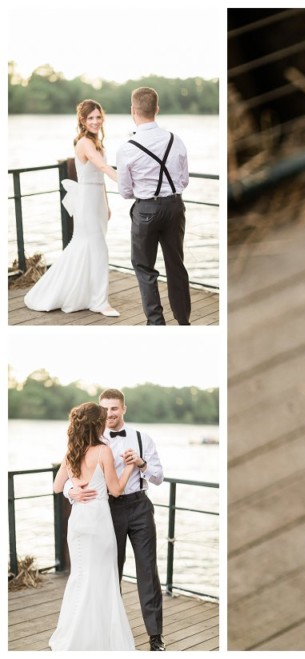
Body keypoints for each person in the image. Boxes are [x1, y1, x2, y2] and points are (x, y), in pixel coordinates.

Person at [65, 389, 167, 651]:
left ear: (123, 409)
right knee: (110, 572)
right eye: (105, 409)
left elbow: (158, 477)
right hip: (108, 510)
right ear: (99, 411)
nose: (109, 414)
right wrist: (70, 492)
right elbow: (69, 476)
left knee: (148, 572)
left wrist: (142, 463)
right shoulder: (88, 437)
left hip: (140, 506)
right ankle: (110, 634)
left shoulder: (143, 438)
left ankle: (156, 638)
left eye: (114, 408)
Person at [49, 402, 137, 651]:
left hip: (78, 521)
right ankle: (98, 639)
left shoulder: (71, 451)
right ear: (97, 424)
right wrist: (131, 465)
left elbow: (57, 487)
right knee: (102, 579)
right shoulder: (103, 451)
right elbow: (116, 490)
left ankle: (74, 635)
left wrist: (71, 490)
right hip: (98, 520)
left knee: (80, 576)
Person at [23, 99, 121, 317]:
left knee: (85, 247)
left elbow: (100, 178)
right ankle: (100, 302)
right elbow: (103, 167)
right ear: (83, 121)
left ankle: (82, 294)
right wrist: (124, 183)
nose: (95, 121)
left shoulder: (98, 142)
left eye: (98, 117)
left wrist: (107, 204)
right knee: (98, 249)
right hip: (86, 201)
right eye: (90, 118)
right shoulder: (85, 143)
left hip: (98, 200)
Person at [116, 86, 191, 326]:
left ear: (133, 111)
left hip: (146, 209)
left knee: (144, 267)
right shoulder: (174, 139)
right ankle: (183, 320)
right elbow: (184, 180)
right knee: (176, 265)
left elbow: (125, 191)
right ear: (156, 109)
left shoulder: (127, 148)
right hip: (175, 206)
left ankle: (156, 322)